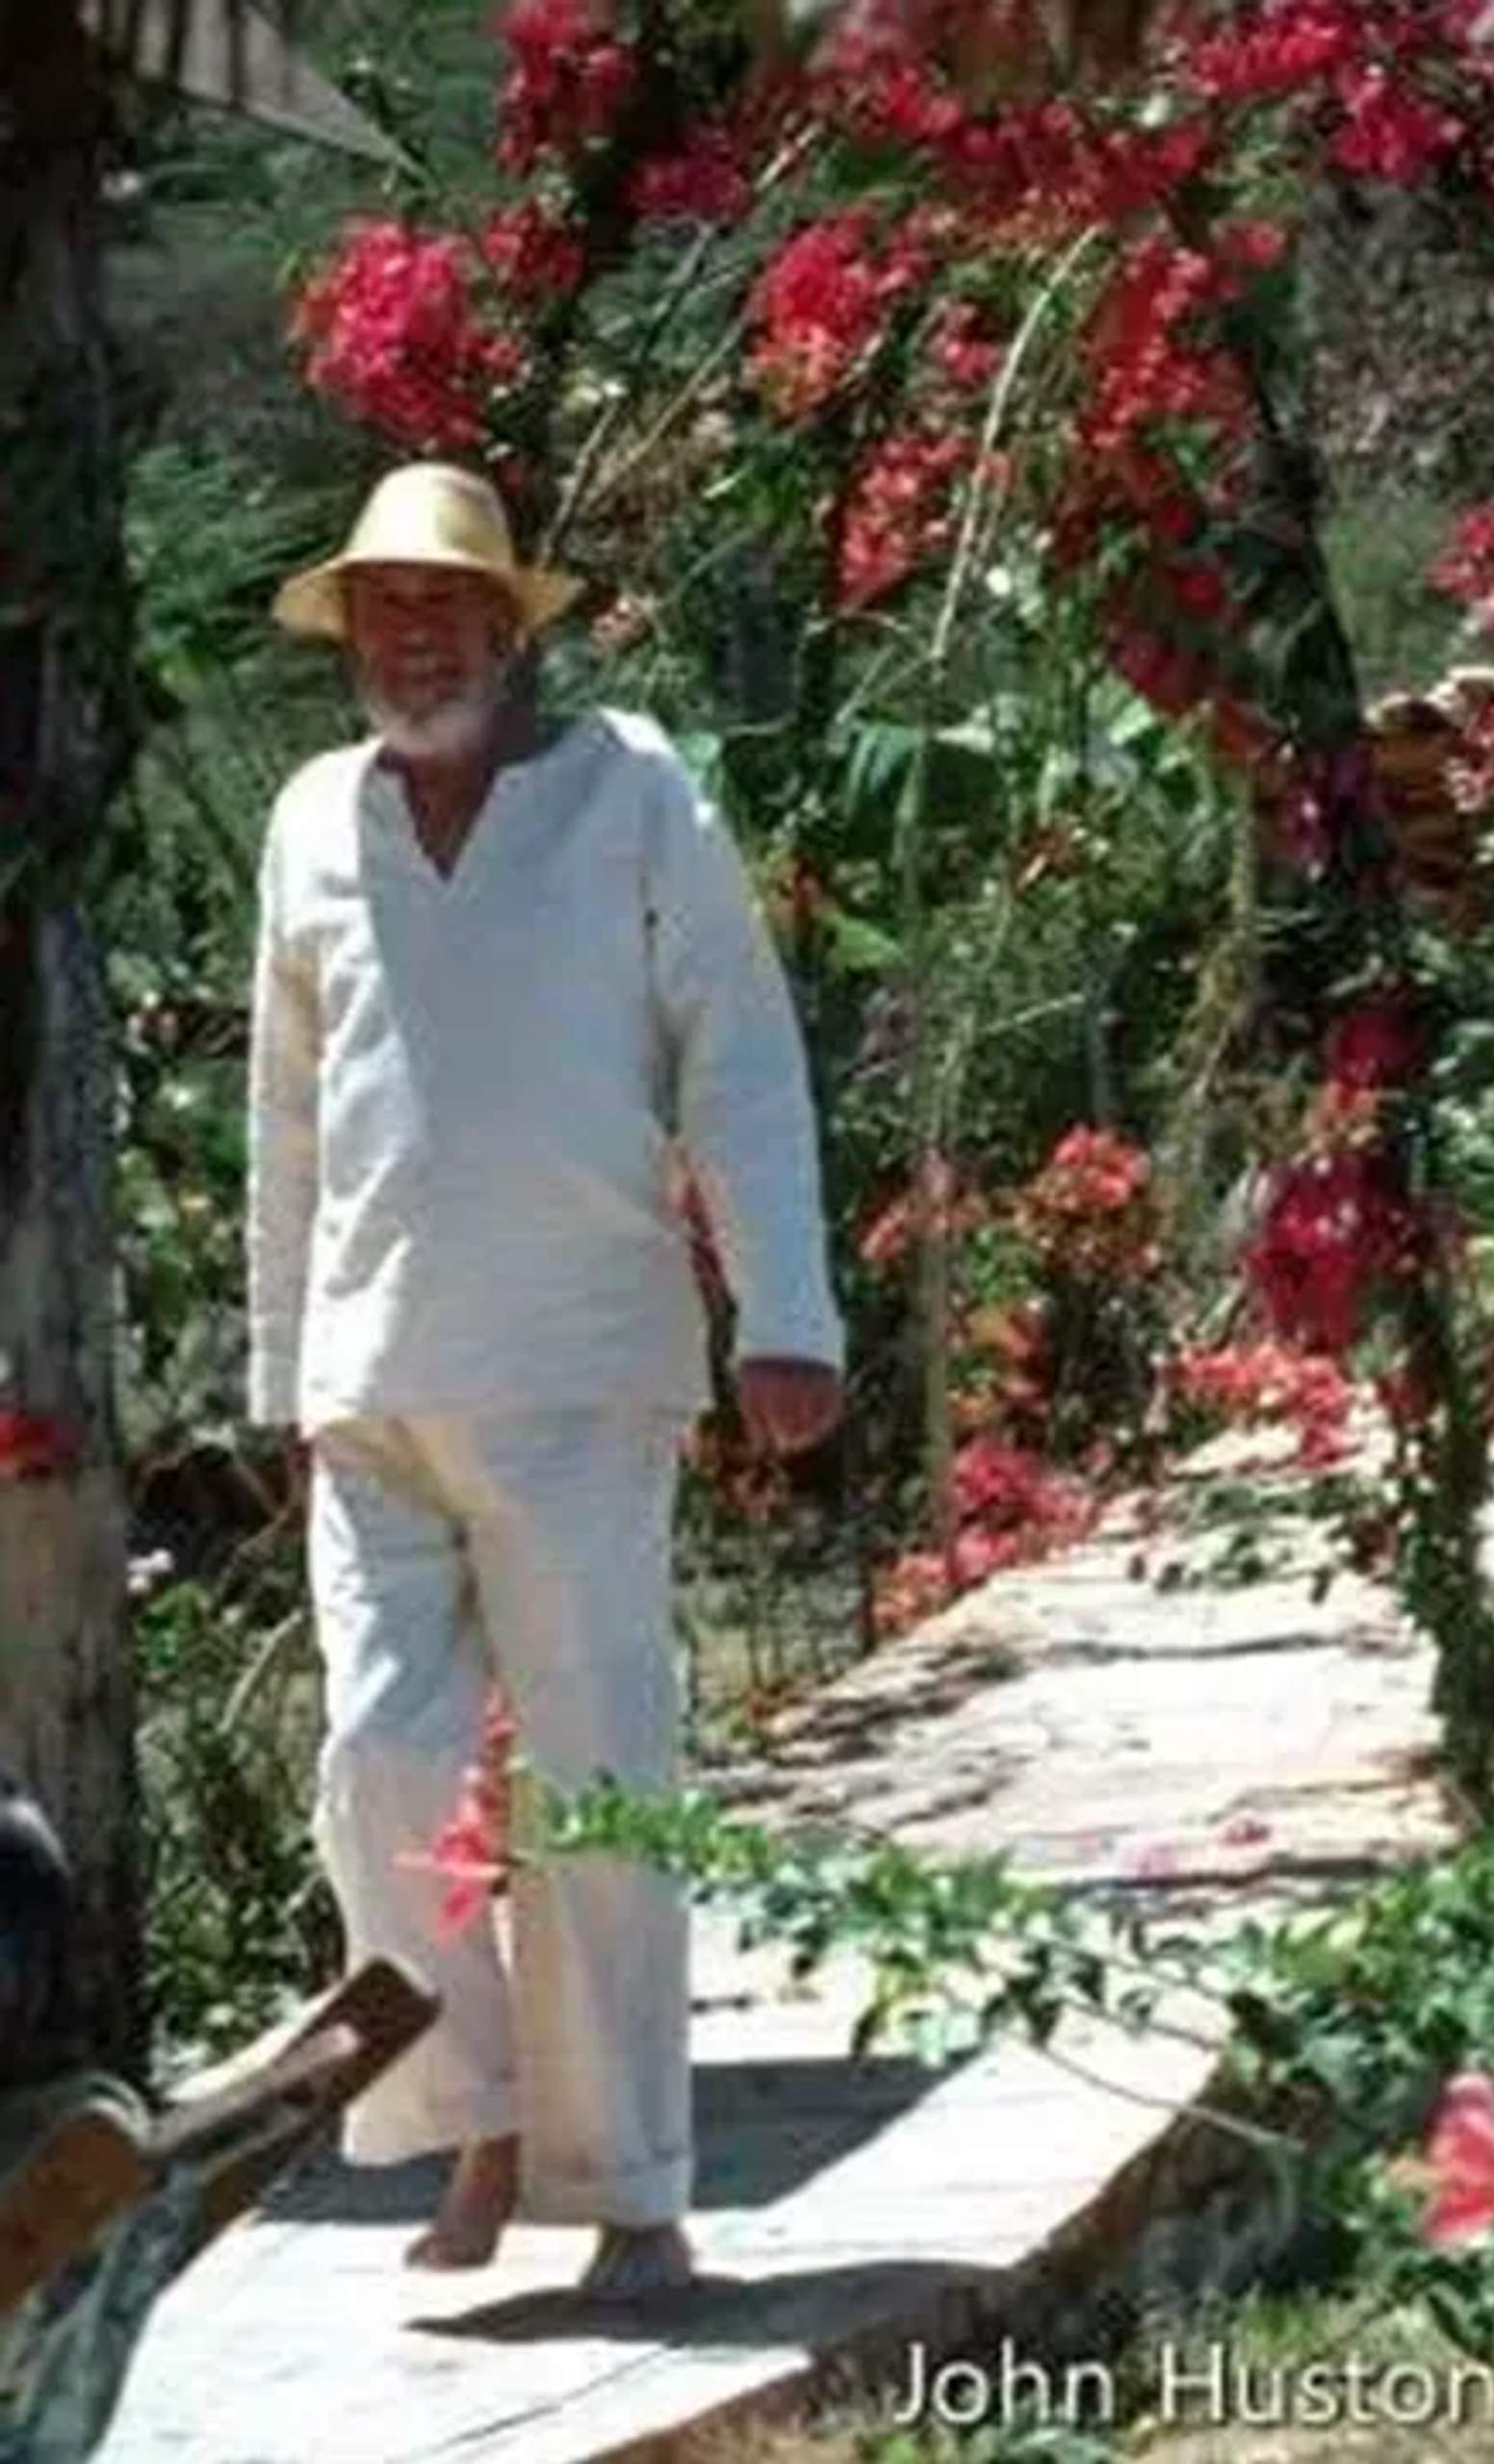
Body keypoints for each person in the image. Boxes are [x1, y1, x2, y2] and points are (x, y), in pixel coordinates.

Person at [244, 463, 845, 2297]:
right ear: (348, 636)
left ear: (510, 629)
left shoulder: (629, 792)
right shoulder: (308, 817)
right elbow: (282, 1116)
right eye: (379, 610)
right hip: (371, 1380)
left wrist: (786, 1312)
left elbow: (734, 1049)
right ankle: (477, 2115)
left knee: (598, 1785)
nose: (409, 637)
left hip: (583, 1370)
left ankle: (632, 2184)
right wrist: (277, 1371)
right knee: (377, 1764)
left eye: (444, 606)